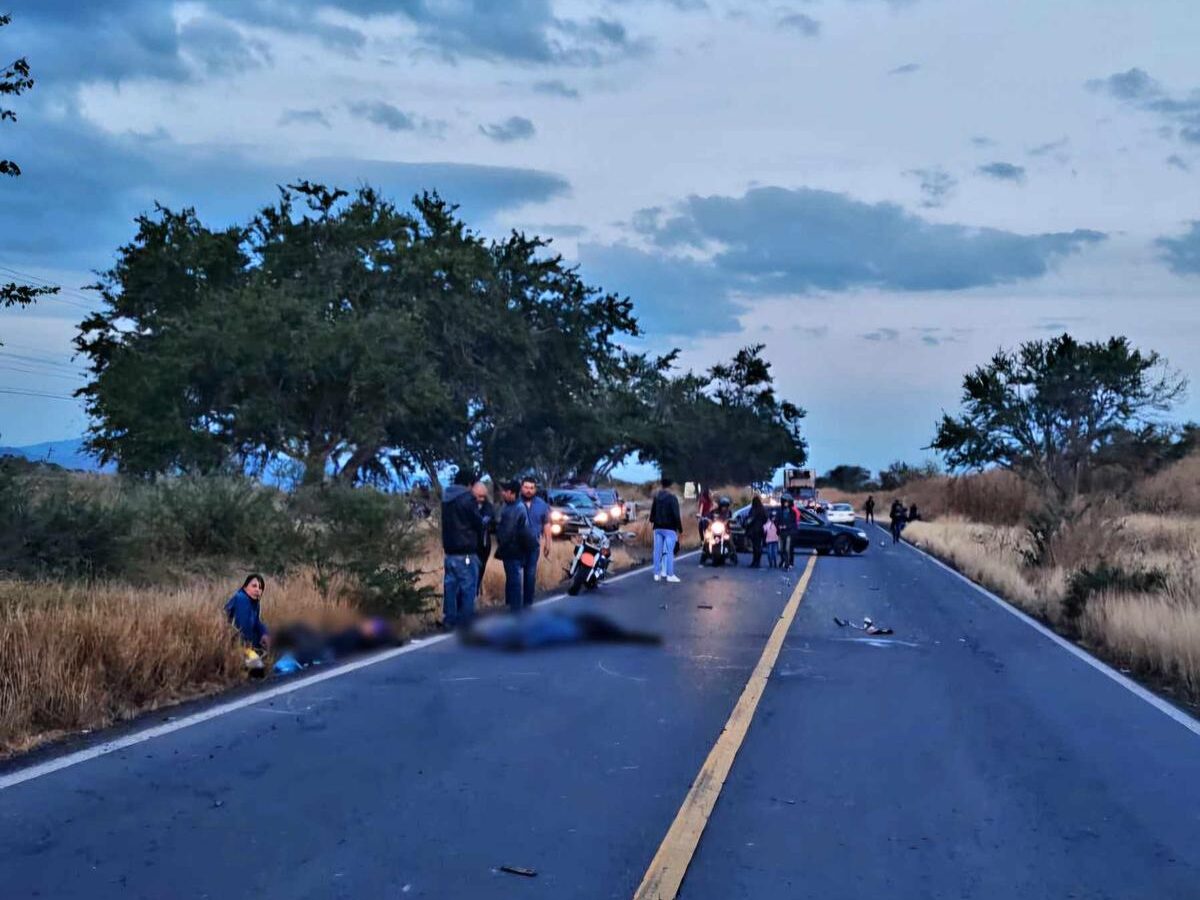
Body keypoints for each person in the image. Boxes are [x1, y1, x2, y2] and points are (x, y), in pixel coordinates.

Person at [441, 473, 485, 628]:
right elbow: (477, 522)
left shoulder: (446, 497)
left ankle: (449, 619)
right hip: (466, 550)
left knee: (450, 587)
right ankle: (466, 621)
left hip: (450, 551)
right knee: (468, 587)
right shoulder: (467, 499)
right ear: (469, 484)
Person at [495, 480, 537, 611]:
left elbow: (508, 531)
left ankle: (516, 610)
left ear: (512, 493)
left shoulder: (516, 508)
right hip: (515, 549)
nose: (502, 493)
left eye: (505, 491)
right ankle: (514, 607)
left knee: (515, 581)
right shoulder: (509, 506)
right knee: (513, 580)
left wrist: (501, 544)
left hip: (514, 549)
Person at [517, 476, 554, 607]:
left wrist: (548, 543)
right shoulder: (515, 502)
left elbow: (547, 524)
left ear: (535, 489)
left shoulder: (542, 504)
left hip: (533, 545)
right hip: (516, 546)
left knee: (530, 574)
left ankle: (528, 604)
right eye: (526, 487)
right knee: (514, 576)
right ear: (521, 487)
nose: (529, 490)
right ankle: (512, 605)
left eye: (531, 488)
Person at [650, 477, 683, 583]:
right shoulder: (672, 498)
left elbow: (652, 514)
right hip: (670, 528)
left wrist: (654, 521)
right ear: (671, 486)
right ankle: (669, 574)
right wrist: (680, 529)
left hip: (657, 527)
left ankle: (657, 573)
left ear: (662, 485)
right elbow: (676, 515)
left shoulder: (656, 497)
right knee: (669, 552)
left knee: (657, 551)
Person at [225, 574, 269, 650]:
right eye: (254, 586)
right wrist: (255, 648)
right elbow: (244, 629)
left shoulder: (255, 603)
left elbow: (256, 622)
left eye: (260, 588)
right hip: (234, 644)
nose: (257, 590)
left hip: (245, 642)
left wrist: (264, 633)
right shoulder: (241, 598)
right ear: (245, 587)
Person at [476, 483, 496, 596]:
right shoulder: (469, 505)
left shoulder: (488, 506)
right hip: (471, 544)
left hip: (483, 544)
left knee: (481, 568)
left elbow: (489, 521)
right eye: (479, 496)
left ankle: (478, 590)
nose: (481, 499)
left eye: (483, 496)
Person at [776, 494, 800, 571]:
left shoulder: (792, 512)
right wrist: (779, 526)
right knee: (781, 549)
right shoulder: (780, 511)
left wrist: (786, 526)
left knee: (787, 549)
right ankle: (783, 560)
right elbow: (777, 520)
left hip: (789, 532)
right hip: (781, 532)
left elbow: (794, 523)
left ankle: (787, 564)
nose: (786, 503)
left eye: (787, 502)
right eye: (784, 502)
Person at [745, 495, 768, 568]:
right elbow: (766, 518)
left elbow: (750, 519)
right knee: (758, 546)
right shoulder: (762, 509)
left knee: (755, 547)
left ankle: (755, 561)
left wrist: (747, 524)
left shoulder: (753, 509)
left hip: (754, 530)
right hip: (760, 530)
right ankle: (757, 562)